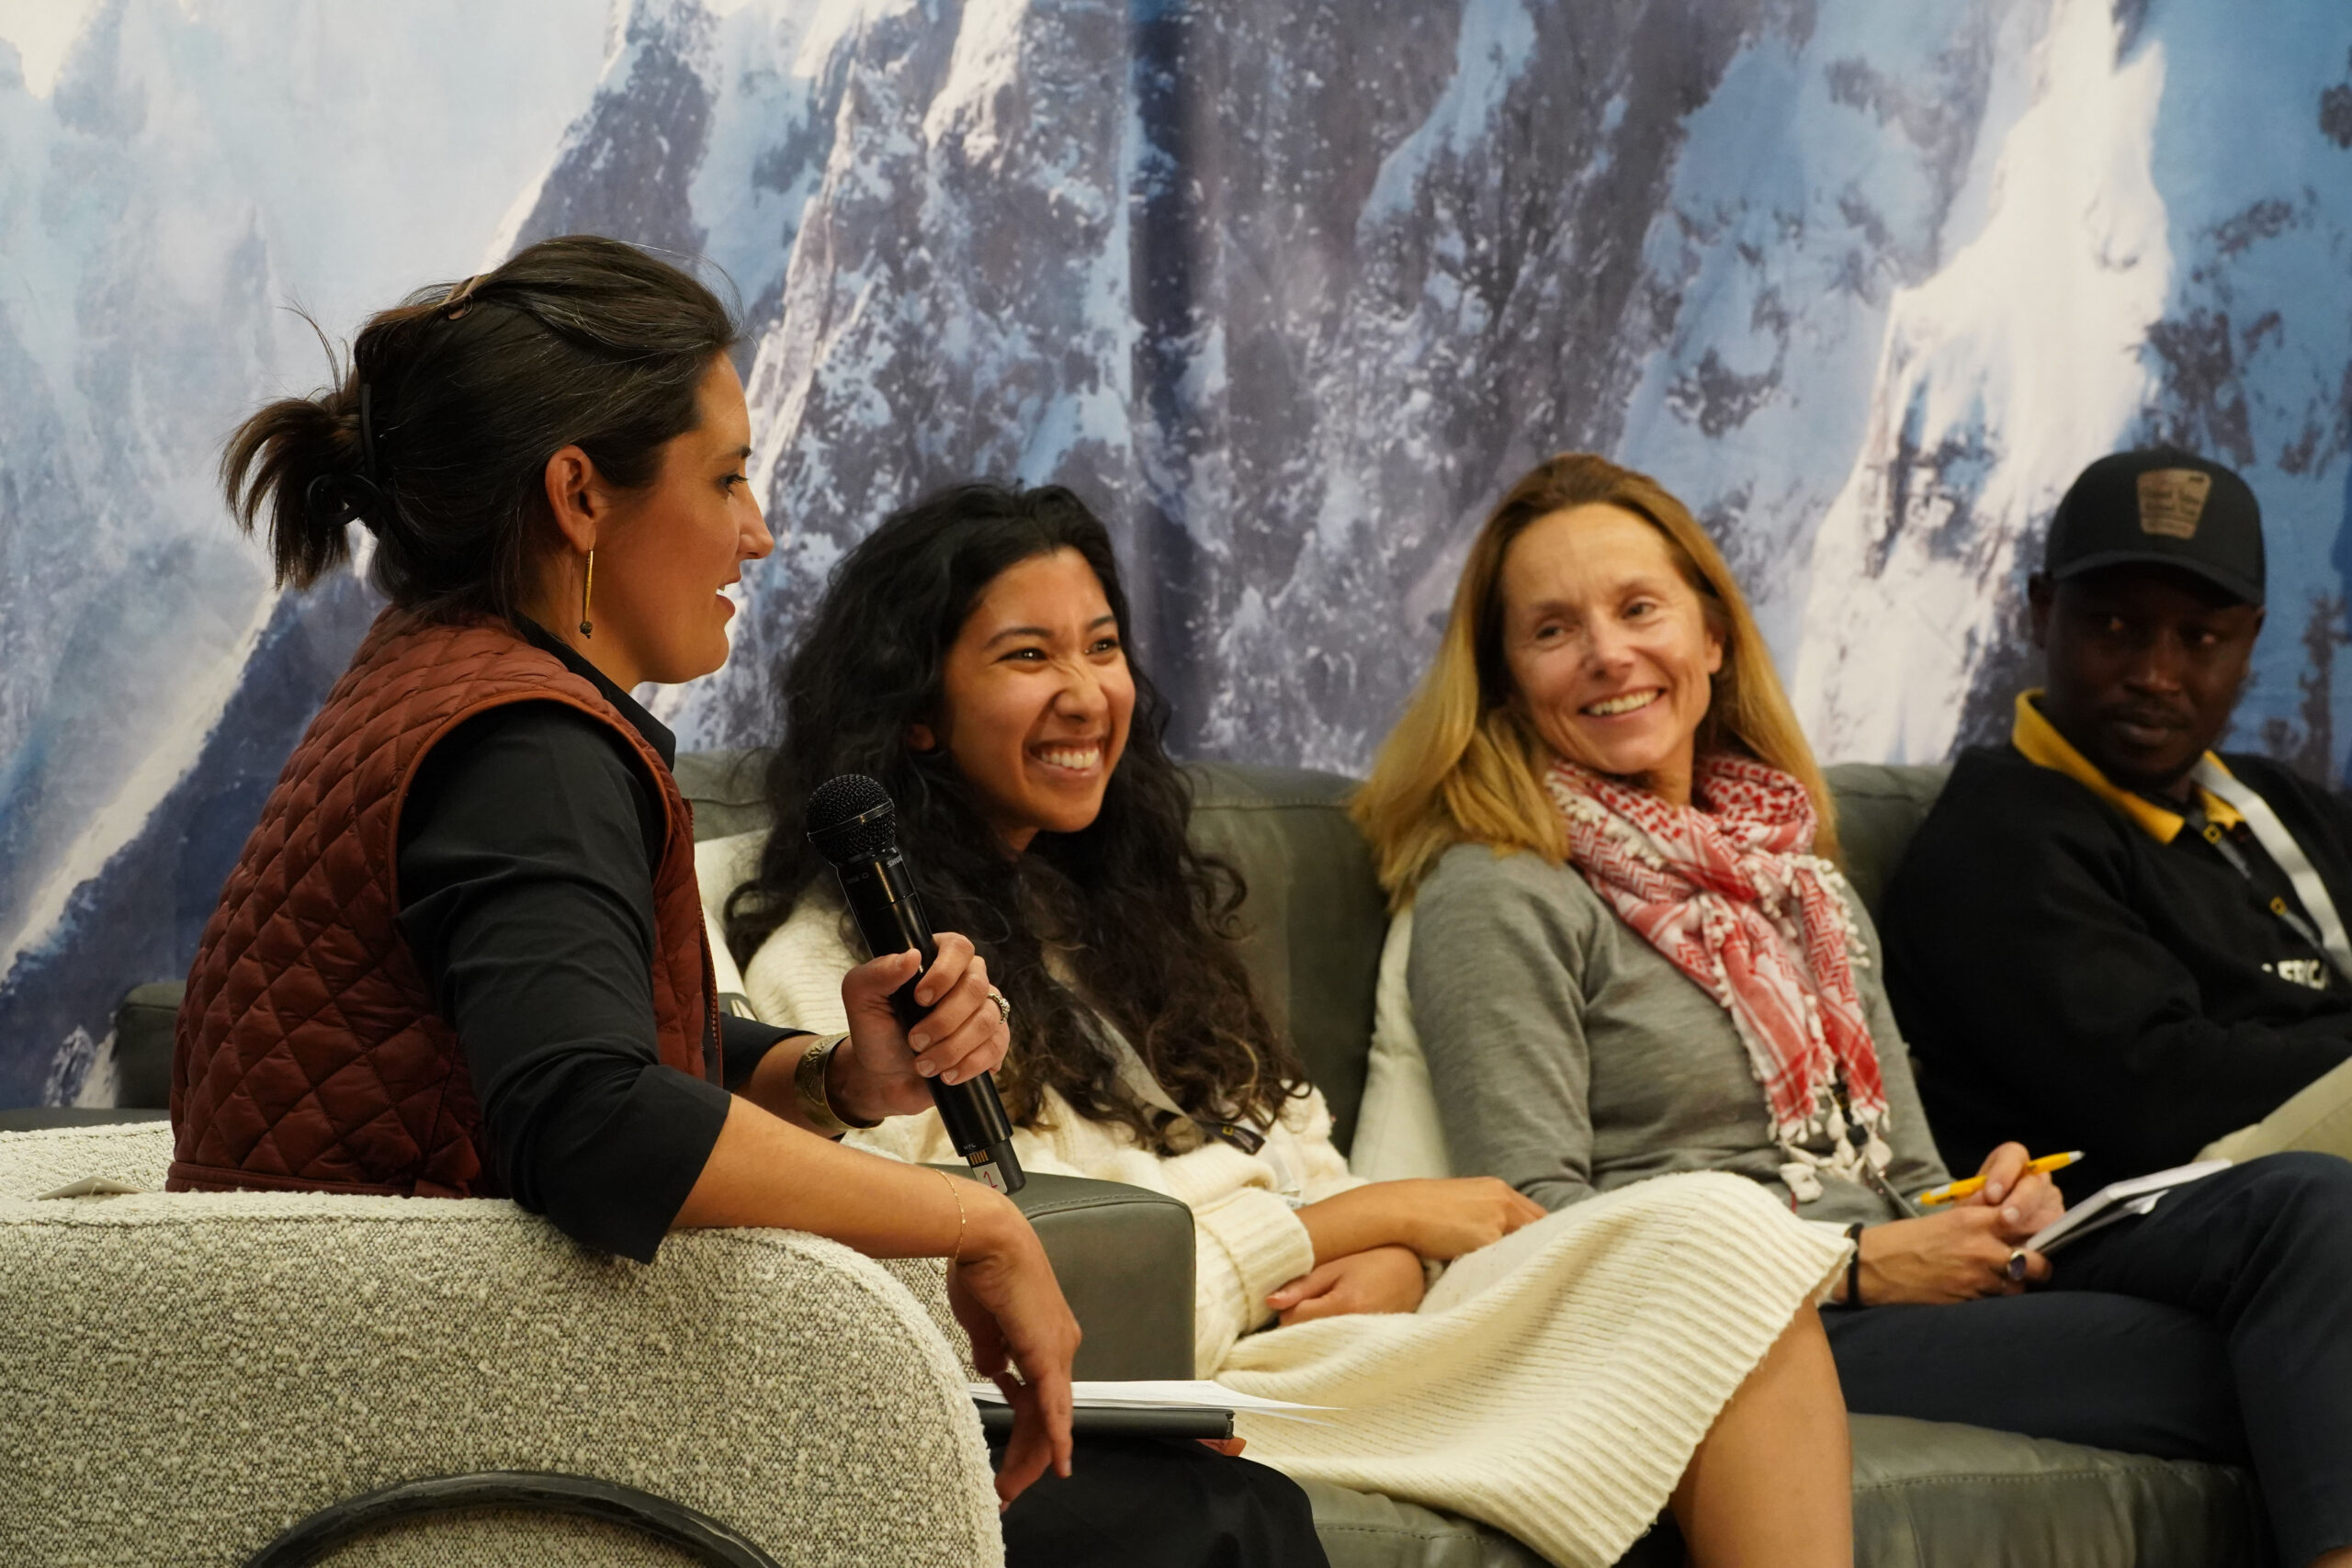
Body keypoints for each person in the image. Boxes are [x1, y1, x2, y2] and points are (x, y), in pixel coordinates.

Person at [173, 235, 1318, 1565]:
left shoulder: (445, 679)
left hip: (440, 1387)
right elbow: (589, 1114)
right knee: (1223, 1517)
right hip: (460, 1430)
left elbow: (530, 1036)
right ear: (581, 495)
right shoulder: (524, 743)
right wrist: (978, 1216)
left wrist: (832, 1072)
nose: (758, 528)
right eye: (724, 477)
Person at [725, 481, 1860, 1568]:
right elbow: (1005, 1321)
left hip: (1327, 1342)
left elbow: (1313, 1169)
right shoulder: (847, 971)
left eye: (1104, 647)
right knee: (1718, 1231)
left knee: (1716, 1249)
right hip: (1191, 1388)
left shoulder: (1136, 922)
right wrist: (1348, 1229)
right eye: (1028, 656)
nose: (1085, 693)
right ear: (917, 714)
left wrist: (1399, 1257)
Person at [1351, 452, 2352, 1568]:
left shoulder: (1799, 876)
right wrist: (1865, 1265)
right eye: (1552, 630)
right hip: (1753, 1327)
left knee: (2309, 1209)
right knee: (2282, 1359)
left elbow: (1911, 1174)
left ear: (1713, 638)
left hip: (1894, 1282)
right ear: (1502, 681)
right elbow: (1531, 1232)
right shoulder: (1499, 884)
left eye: (1640, 609)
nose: (1608, 654)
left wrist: (1990, 1204)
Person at [1882, 446, 2352, 1191]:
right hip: (2153, 1222)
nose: (2154, 674)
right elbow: (2163, 1093)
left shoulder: (2280, 804)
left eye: (2199, 638)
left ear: (2250, 641)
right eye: (2113, 625)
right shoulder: (2001, 836)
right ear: (2042, 612)